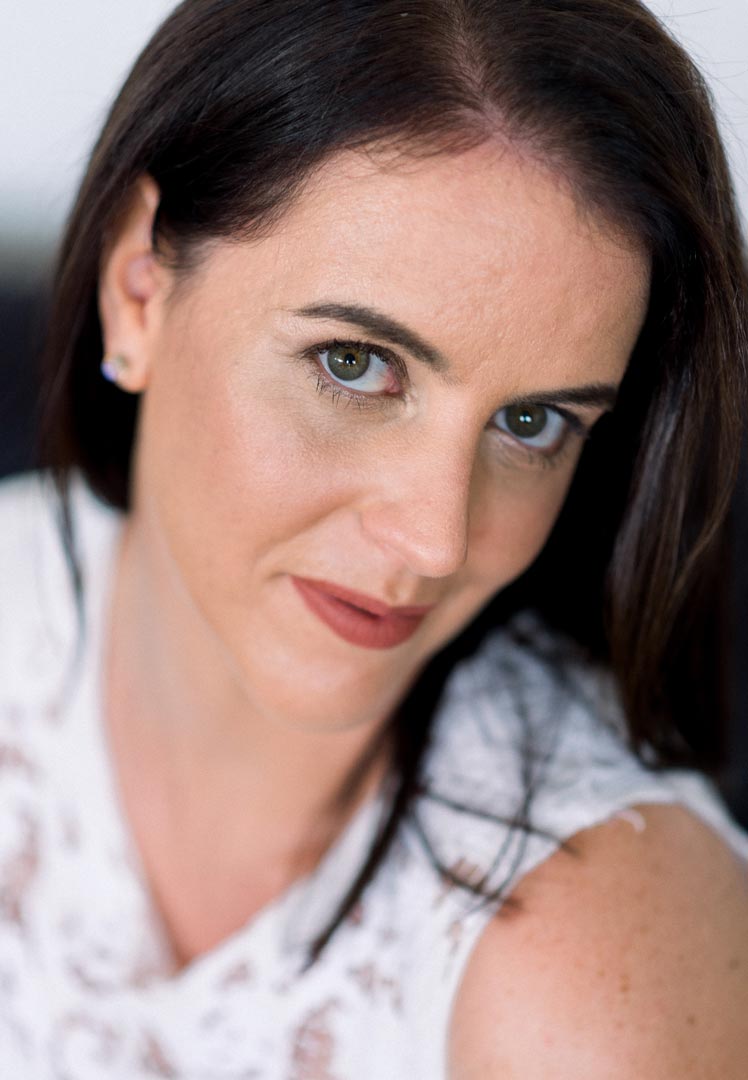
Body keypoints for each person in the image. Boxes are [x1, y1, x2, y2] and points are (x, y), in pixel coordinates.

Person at [2, 0, 748, 1074]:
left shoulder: (595, 984)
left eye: (532, 423)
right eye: (354, 365)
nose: (436, 541)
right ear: (139, 290)